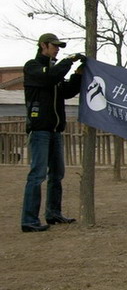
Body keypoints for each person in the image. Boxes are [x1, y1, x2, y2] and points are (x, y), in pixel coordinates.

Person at [21, 33, 85, 232]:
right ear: (43, 45)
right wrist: (68, 62)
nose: (57, 49)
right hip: (40, 130)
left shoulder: (54, 73)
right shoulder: (33, 67)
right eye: (54, 46)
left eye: (59, 47)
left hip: (55, 131)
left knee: (57, 174)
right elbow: (49, 77)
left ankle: (53, 214)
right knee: (37, 175)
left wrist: (78, 75)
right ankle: (29, 221)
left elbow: (66, 91)